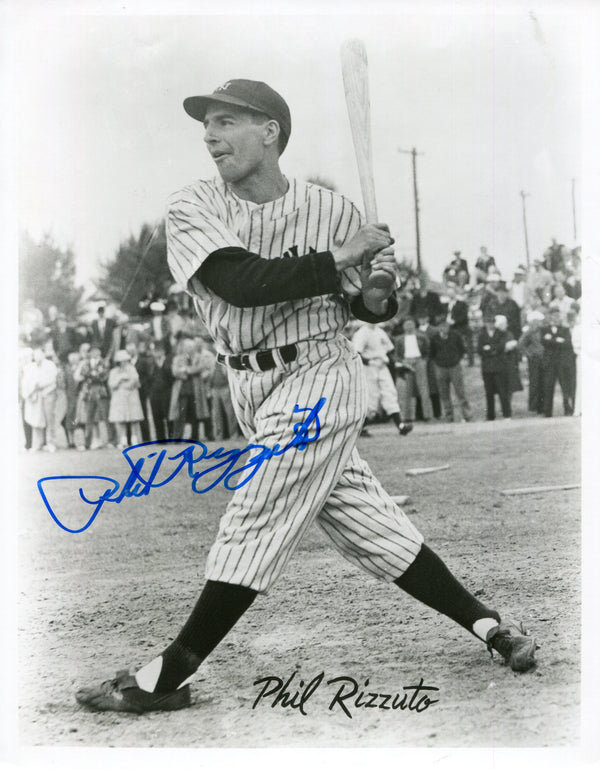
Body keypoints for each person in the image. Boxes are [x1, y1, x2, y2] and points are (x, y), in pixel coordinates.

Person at [75, 77, 536, 715]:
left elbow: (373, 300)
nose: (210, 135)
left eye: (227, 121)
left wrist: (374, 296)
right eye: (206, 124)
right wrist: (341, 258)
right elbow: (238, 282)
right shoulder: (192, 205)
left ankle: (170, 669)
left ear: (271, 132)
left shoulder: (333, 210)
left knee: (255, 509)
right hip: (249, 382)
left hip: (320, 373)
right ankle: (488, 626)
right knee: (368, 523)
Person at [351, 322, 412, 435]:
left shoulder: (380, 331)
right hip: (368, 367)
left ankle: (400, 425)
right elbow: (356, 353)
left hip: (382, 366)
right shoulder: (361, 333)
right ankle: (359, 429)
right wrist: (369, 362)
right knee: (371, 399)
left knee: (390, 393)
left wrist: (396, 364)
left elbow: (389, 352)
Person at [429, 318, 472, 423]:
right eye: (441, 326)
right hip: (441, 367)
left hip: (454, 366)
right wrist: (439, 362)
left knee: (460, 391)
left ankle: (467, 415)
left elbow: (462, 349)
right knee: (444, 393)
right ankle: (449, 416)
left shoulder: (455, 335)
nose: (444, 328)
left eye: (445, 325)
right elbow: (432, 353)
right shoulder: (434, 338)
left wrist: (456, 359)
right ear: (438, 327)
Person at [393, 317, 433, 423]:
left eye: (411, 324)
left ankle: (427, 415)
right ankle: (407, 417)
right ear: (403, 327)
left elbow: (427, 350)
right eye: (407, 324)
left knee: (423, 387)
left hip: (419, 361)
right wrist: (402, 362)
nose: (409, 327)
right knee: (407, 390)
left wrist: (424, 360)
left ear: (414, 325)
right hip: (406, 362)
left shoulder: (422, 336)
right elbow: (397, 354)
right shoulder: (399, 339)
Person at [21, 345, 58, 451]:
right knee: (36, 419)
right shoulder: (30, 367)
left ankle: (51, 443)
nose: (37, 356)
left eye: (39, 354)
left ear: (43, 354)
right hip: (36, 396)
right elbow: (28, 381)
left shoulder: (50, 365)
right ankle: (38, 443)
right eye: (35, 354)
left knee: (49, 419)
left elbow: (51, 380)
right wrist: (33, 388)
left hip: (48, 394)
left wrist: (40, 385)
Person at [477, 313, 512, 420]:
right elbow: (479, 350)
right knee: (489, 392)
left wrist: (490, 348)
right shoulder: (482, 335)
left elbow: (501, 347)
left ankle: (507, 414)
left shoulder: (501, 333)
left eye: (492, 322)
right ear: (485, 323)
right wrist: (492, 350)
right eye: (488, 322)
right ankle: (490, 416)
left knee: (503, 391)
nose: (490, 325)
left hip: (499, 366)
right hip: (487, 368)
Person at [540, 307, 574, 418]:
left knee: (564, 386)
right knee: (548, 386)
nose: (555, 318)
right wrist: (557, 340)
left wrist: (551, 340)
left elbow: (567, 344)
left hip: (561, 362)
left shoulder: (565, 329)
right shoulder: (544, 329)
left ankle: (567, 409)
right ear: (550, 316)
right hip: (549, 363)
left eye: (557, 315)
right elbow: (544, 342)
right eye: (553, 315)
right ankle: (547, 411)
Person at [108, 349, 145, 449]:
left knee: (133, 418)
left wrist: (126, 384)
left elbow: (135, 381)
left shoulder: (132, 369)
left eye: (125, 360)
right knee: (121, 419)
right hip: (119, 397)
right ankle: (123, 440)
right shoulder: (113, 371)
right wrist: (120, 379)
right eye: (122, 360)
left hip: (131, 396)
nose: (124, 362)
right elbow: (111, 384)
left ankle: (134, 439)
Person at [517, 311, 545, 414]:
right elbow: (520, 344)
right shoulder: (529, 332)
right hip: (534, 359)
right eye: (538, 321)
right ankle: (533, 405)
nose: (540, 323)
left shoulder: (543, 331)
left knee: (543, 382)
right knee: (534, 382)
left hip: (543, 358)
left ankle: (542, 406)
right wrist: (528, 354)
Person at [146, 340, 174, 441]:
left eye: (159, 350)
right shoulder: (150, 363)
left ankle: (171, 437)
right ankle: (160, 438)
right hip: (154, 393)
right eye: (155, 351)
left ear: (163, 351)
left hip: (166, 391)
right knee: (156, 415)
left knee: (168, 414)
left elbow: (171, 376)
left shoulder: (168, 360)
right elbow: (147, 378)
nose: (157, 353)